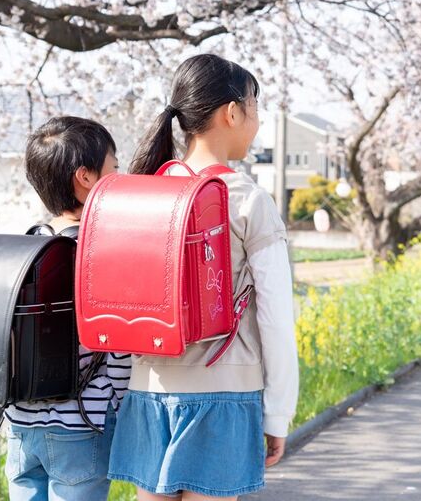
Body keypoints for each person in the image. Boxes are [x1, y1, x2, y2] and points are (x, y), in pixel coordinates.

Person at [108, 54, 298, 500]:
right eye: (255, 108)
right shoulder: (249, 201)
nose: (257, 121)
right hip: (225, 393)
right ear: (232, 113)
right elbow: (276, 318)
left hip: (148, 393)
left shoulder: (142, 192)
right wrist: (278, 415)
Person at [7, 116, 132, 500]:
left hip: (20, 423)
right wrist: (125, 404)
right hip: (81, 424)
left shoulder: (27, 247)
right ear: (86, 178)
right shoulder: (101, 254)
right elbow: (118, 346)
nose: (119, 175)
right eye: (113, 167)